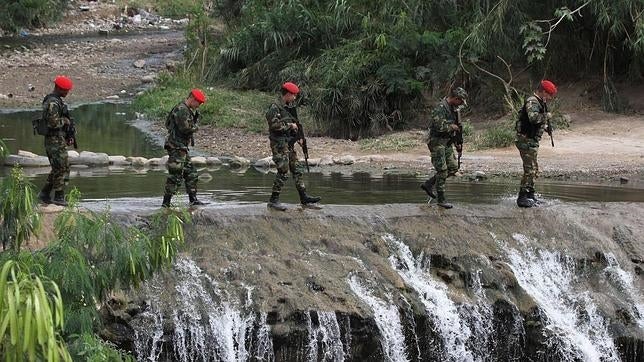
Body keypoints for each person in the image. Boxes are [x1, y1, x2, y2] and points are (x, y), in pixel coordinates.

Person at [265, 82, 320, 211]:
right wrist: (290, 126)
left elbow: (294, 124)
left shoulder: (288, 107)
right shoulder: (275, 107)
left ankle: (304, 197)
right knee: (283, 171)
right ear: (288, 94)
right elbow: (274, 126)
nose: (294, 98)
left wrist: (298, 137)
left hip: (288, 143)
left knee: (297, 169)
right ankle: (273, 200)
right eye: (293, 95)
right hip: (279, 144)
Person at [420, 87, 468, 209]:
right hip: (437, 142)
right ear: (456, 98)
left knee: (453, 168)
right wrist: (452, 127)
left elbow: (457, 128)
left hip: (446, 142)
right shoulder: (440, 108)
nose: (461, 104)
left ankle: (429, 183)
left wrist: (457, 142)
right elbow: (439, 127)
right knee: (442, 171)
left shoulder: (454, 109)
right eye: (460, 101)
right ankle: (441, 199)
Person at [161, 89, 209, 207]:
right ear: (192, 98)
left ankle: (193, 199)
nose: (199, 105)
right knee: (175, 175)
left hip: (181, 147)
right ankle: (166, 203)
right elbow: (185, 129)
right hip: (176, 147)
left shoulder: (185, 109)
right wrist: (195, 127)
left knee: (191, 173)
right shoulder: (182, 110)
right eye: (198, 102)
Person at [515, 80, 557, 208]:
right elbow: (533, 118)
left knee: (533, 169)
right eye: (549, 95)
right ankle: (522, 197)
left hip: (531, 140)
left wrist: (545, 127)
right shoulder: (532, 101)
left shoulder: (540, 102)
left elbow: (534, 121)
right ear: (544, 92)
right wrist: (546, 116)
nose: (550, 98)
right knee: (530, 169)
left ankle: (530, 195)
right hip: (525, 140)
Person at [38, 75, 74, 206]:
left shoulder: (56, 101)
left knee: (58, 168)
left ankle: (45, 193)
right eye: (65, 90)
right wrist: (66, 121)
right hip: (54, 140)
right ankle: (59, 197)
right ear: (58, 88)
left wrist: (68, 133)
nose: (67, 93)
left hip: (57, 139)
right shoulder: (53, 103)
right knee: (61, 168)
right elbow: (53, 123)